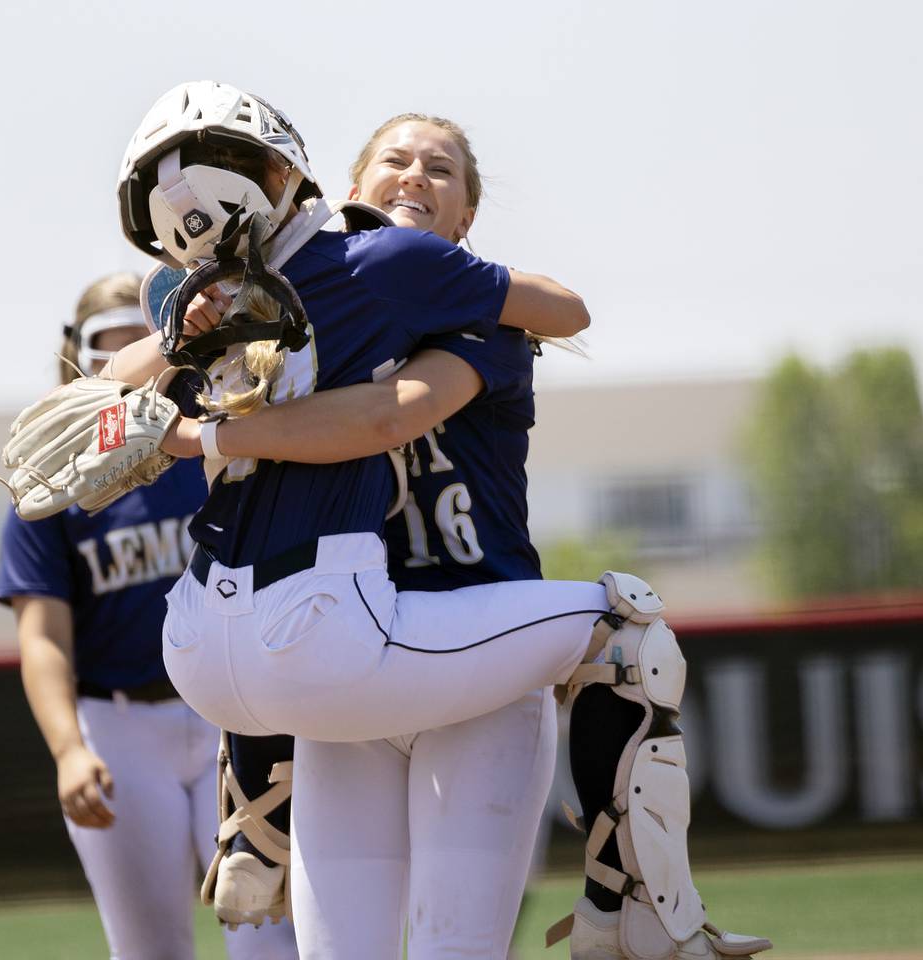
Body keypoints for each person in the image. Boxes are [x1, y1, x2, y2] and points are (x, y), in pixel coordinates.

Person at [108, 81, 770, 960]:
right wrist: (190, 307)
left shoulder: (471, 318)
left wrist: (206, 424)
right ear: (343, 186)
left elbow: (389, 414)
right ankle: (259, 801)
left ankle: (630, 901)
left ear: (465, 219)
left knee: (453, 948)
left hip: (472, 655)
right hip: (353, 653)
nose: (416, 173)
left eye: (442, 168)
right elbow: (117, 373)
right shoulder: (288, 293)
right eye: (396, 158)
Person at [0, 273, 298, 960]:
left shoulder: (224, 427)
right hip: (123, 726)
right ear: (79, 353)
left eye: (147, 331)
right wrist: (69, 749)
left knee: (273, 941)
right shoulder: (57, 478)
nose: (137, 351)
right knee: (148, 949)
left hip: (240, 711)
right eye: (113, 341)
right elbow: (42, 634)